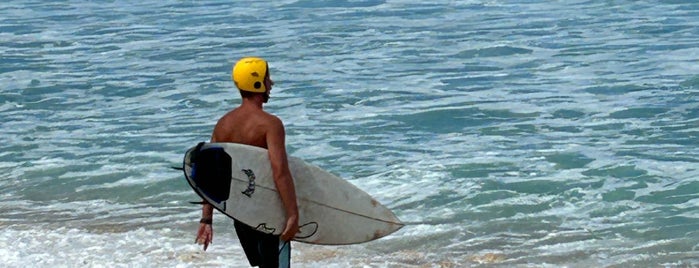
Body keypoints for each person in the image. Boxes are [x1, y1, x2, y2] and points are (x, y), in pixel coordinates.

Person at [195, 57, 300, 267]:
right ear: (258, 83)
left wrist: (206, 219)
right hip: (268, 212)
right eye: (267, 78)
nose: (271, 84)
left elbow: (209, 172)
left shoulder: (223, 124)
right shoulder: (270, 124)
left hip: (241, 212)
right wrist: (292, 215)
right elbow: (280, 171)